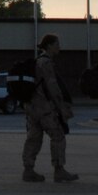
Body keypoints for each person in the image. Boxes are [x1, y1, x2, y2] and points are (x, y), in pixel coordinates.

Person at [22, 33, 77, 182]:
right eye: (57, 44)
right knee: (58, 135)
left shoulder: (37, 61)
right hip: (44, 108)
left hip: (32, 107)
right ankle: (59, 170)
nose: (59, 47)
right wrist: (61, 107)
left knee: (34, 138)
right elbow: (53, 87)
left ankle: (28, 169)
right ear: (49, 46)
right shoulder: (46, 63)